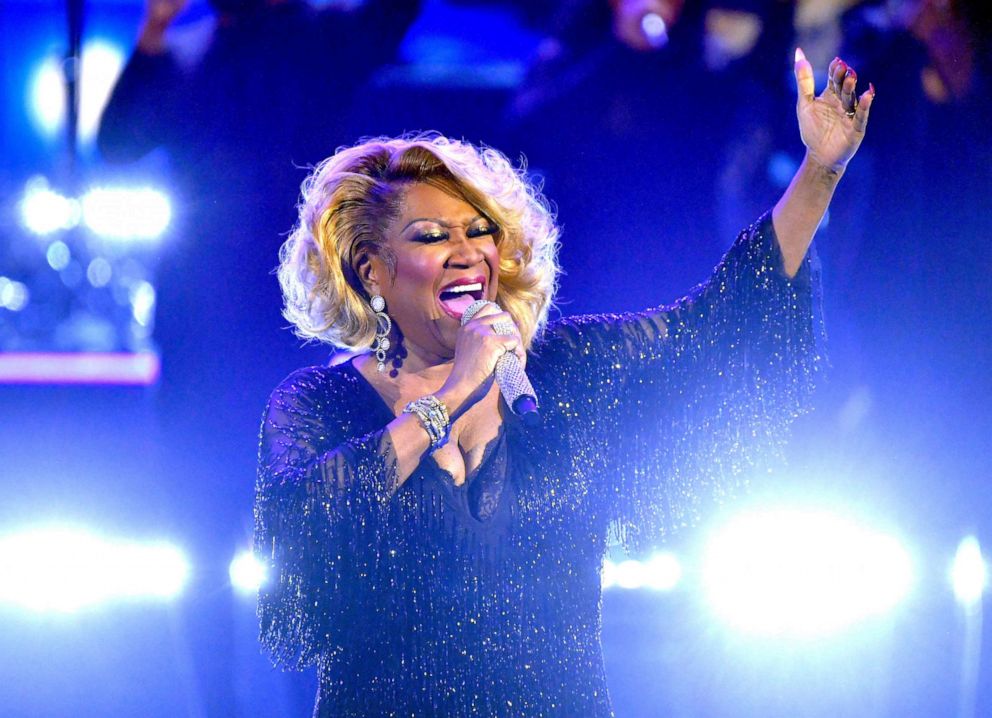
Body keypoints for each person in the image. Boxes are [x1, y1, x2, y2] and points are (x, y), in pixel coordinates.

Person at [255, 50, 874, 716]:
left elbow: (718, 326)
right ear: (372, 271)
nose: (468, 251)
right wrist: (448, 396)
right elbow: (305, 537)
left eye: (480, 231)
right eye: (433, 236)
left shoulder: (565, 374)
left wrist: (821, 169)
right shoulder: (319, 405)